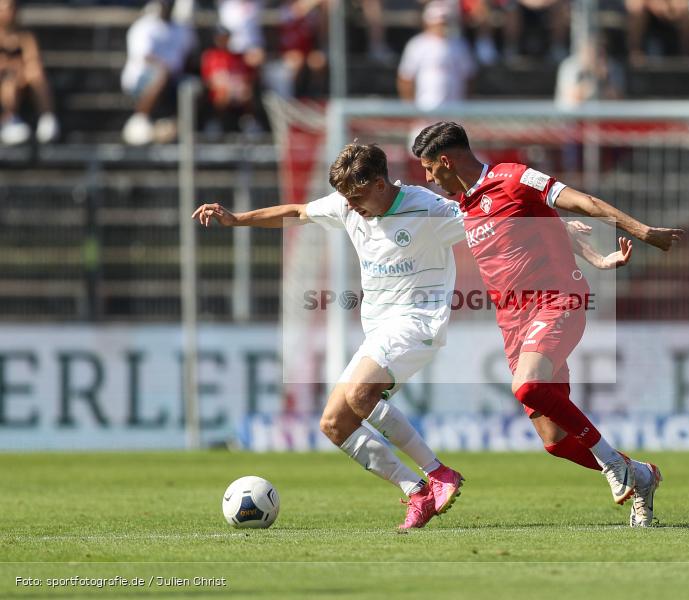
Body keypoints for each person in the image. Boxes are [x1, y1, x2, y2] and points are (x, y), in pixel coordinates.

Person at [412, 121, 684, 526]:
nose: (430, 178)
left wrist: (642, 232)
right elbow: (554, 226)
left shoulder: (515, 177)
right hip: (513, 324)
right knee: (555, 442)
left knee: (527, 385)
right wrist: (596, 257)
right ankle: (641, 476)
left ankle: (614, 464)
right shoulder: (464, 205)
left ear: (446, 160)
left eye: (430, 169)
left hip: (557, 303)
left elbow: (583, 203)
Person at [192, 143, 466, 530]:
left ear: (379, 183)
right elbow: (296, 212)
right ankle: (416, 489)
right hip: (380, 328)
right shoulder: (346, 204)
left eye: (356, 196)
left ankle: (438, 473)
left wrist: (559, 234)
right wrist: (237, 220)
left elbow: (493, 224)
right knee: (335, 423)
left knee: (359, 395)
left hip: (419, 322)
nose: (350, 205)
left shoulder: (429, 208)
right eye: (346, 198)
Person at [121, 0, 195, 145]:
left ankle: (186, 126)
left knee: (193, 85)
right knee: (161, 75)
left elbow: (188, 56)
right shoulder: (145, 26)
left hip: (174, 79)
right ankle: (139, 118)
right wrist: (165, 68)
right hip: (141, 78)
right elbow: (144, 56)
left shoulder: (181, 29)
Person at [397, 1, 475, 111]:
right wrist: (410, 108)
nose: (441, 26)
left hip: (454, 110)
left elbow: (469, 76)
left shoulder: (459, 44)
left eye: (444, 22)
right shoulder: (417, 44)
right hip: (425, 110)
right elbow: (405, 78)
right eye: (438, 22)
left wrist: (466, 105)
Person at [0, 0, 59, 145]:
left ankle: (47, 118)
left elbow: (32, 59)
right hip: (6, 82)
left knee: (35, 73)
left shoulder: (25, 36)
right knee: (9, 84)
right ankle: (8, 120)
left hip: (23, 80)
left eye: (11, 8)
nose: (8, 12)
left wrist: (17, 70)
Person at [201, 25, 256, 134]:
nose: (223, 40)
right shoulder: (210, 56)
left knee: (246, 92)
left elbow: (247, 76)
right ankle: (218, 125)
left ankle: (247, 123)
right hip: (219, 95)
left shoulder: (237, 57)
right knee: (223, 94)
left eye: (225, 37)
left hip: (237, 94)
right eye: (220, 38)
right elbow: (209, 80)